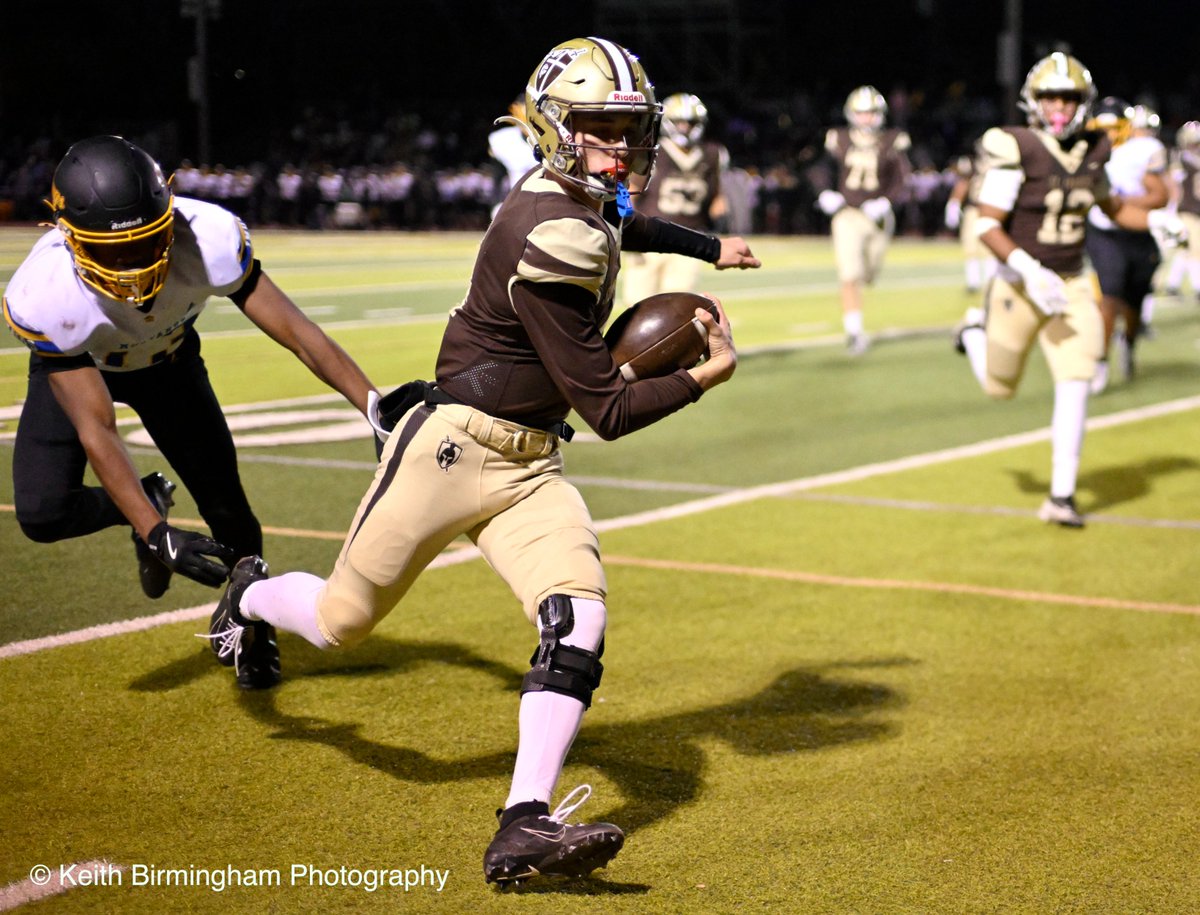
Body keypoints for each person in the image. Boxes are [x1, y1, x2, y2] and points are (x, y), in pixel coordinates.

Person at [205, 36, 758, 885]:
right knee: (340, 622)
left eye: (630, 127)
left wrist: (706, 246)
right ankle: (248, 591)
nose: (626, 146)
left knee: (577, 618)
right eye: (605, 128)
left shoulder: (573, 190)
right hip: (452, 450)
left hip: (529, 462)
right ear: (558, 130)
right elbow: (605, 406)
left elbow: (623, 217)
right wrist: (701, 376)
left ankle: (523, 822)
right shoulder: (551, 231)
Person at [3, 135, 381, 688]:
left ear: (169, 217)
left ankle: (254, 629)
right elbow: (98, 430)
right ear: (65, 235)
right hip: (88, 365)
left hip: (169, 365)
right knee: (42, 513)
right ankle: (145, 498)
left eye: (144, 242)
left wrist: (373, 404)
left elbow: (298, 333)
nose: (132, 264)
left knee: (229, 511)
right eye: (112, 250)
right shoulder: (46, 294)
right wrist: (153, 529)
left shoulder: (208, 236)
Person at [953, 53, 1185, 528]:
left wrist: (1156, 219)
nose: (1059, 107)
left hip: (1071, 282)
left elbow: (1114, 207)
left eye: (1069, 97)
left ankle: (1062, 496)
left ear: (1084, 103)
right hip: (1020, 283)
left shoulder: (1095, 148)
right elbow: (986, 225)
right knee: (999, 388)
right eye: (1049, 97)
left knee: (1077, 378)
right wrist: (1026, 266)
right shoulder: (1014, 146)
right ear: (1032, 102)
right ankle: (974, 332)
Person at [816, 85, 912, 354]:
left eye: (870, 113)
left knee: (868, 275)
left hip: (878, 218)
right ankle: (854, 332)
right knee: (850, 275)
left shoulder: (892, 139)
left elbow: (902, 177)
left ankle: (855, 327)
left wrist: (887, 201)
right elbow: (821, 168)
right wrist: (825, 192)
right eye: (860, 113)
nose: (866, 118)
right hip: (847, 215)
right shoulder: (839, 138)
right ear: (851, 114)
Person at [1083, 97, 1169, 392]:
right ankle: (1100, 361)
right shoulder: (1083, 150)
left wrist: (1122, 201)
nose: (1107, 135)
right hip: (1104, 232)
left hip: (1137, 231)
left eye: (1114, 128)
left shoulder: (1142, 151)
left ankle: (1128, 342)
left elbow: (1160, 196)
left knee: (1133, 301)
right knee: (1109, 296)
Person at [620, 91, 728, 305]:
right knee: (636, 304)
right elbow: (630, 189)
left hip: (688, 238)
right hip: (649, 236)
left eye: (689, 123)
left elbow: (717, 196)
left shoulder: (712, 153)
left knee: (676, 304)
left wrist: (721, 221)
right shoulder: (651, 151)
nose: (684, 128)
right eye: (679, 122)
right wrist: (627, 225)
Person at [944, 151, 996, 293]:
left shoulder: (1000, 164)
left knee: (990, 246)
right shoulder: (974, 165)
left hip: (993, 209)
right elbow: (964, 183)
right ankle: (973, 281)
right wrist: (954, 203)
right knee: (970, 245)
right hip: (974, 208)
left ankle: (990, 280)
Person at [1162, 120, 1200, 300]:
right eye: (1194, 142)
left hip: (1194, 210)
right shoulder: (1181, 159)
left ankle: (1172, 285)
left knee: (1185, 250)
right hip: (1186, 210)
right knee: (1194, 249)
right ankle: (1197, 286)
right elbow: (1173, 186)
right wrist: (1171, 210)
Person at [487, 94, 539, 220]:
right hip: (518, 204)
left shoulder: (554, 139)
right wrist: (496, 205)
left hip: (551, 201)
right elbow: (497, 178)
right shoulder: (502, 140)